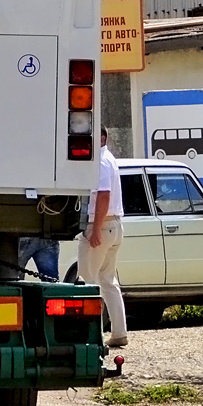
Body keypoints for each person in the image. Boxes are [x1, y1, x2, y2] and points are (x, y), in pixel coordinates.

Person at [78, 125, 128, 348]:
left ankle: (92, 336)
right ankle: (119, 332)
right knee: (108, 280)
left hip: (102, 225)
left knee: (87, 281)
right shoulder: (110, 159)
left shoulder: (100, 161)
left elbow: (104, 195)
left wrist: (95, 229)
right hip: (115, 225)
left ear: (101, 137)